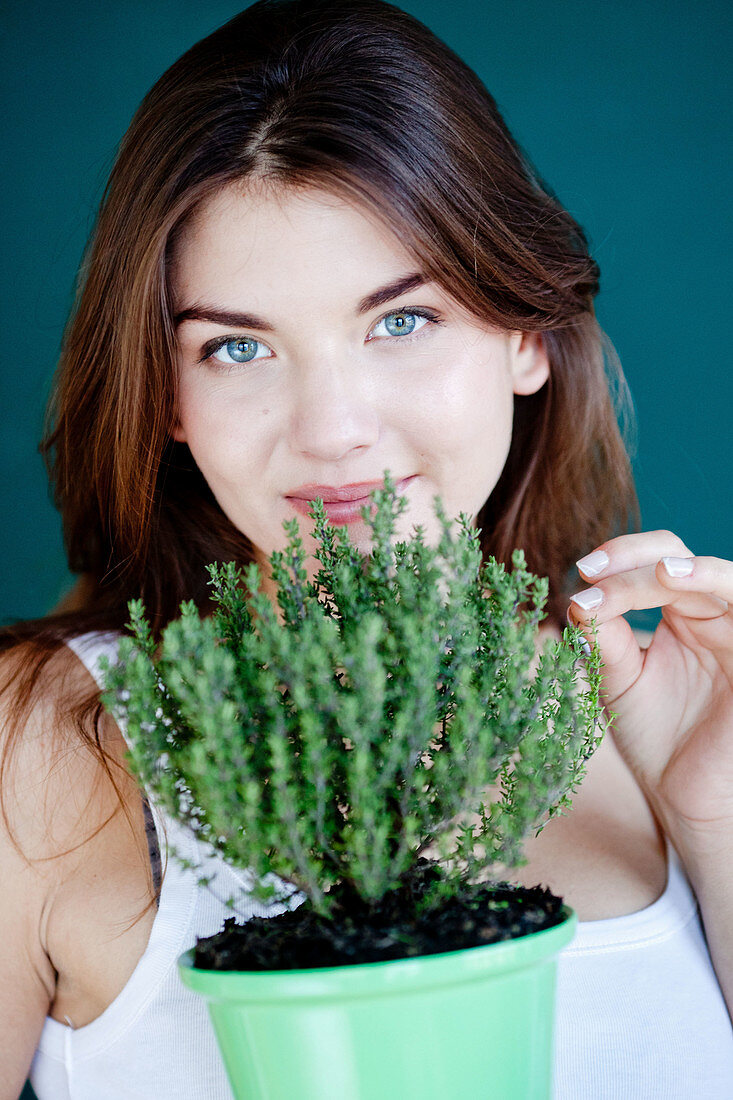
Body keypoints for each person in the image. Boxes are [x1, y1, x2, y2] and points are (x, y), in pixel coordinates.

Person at [2, 1, 732, 1096]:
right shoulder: (45, 747)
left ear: (525, 333)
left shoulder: (675, 712)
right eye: (238, 345)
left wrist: (711, 818)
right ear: (169, 399)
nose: (333, 426)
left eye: (402, 320)